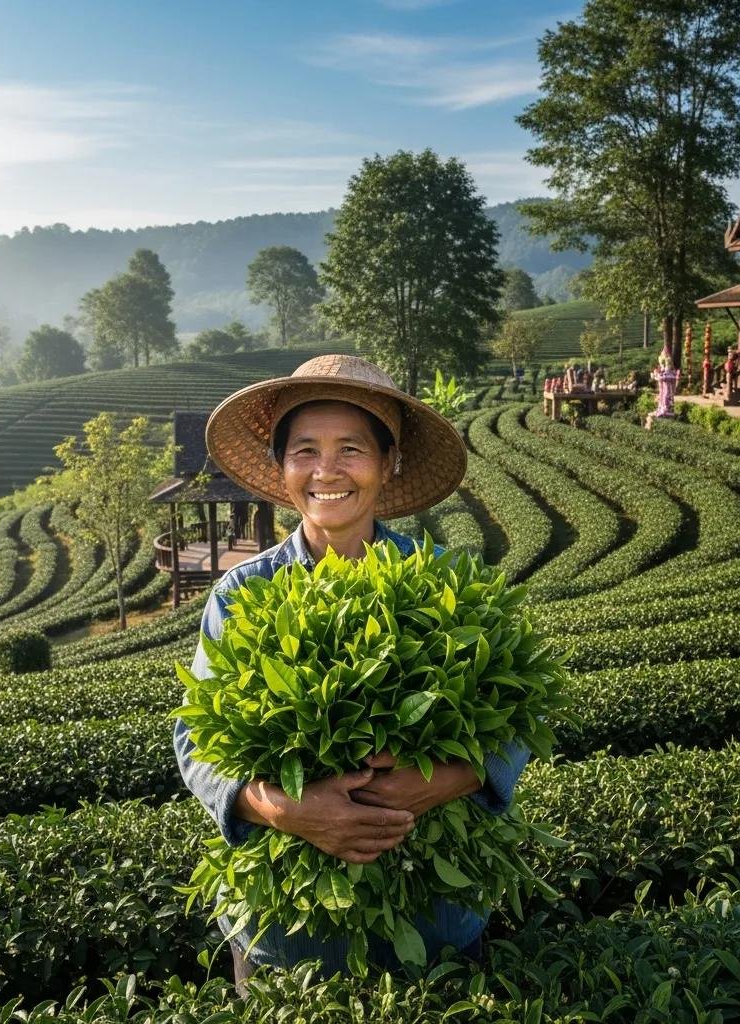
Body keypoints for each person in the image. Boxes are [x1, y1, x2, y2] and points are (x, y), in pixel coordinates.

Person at [173, 354, 530, 989]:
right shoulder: (241, 593)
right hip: (287, 939)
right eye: (304, 450)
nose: (326, 471)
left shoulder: (446, 580)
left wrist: (450, 777)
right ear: (282, 467)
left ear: (388, 462)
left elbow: (515, 718)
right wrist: (283, 810)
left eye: (352, 449)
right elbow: (198, 742)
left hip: (435, 924)